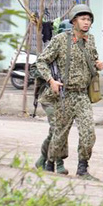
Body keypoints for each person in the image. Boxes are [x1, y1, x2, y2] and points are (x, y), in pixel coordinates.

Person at [36, 4, 103, 180]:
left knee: (89, 132)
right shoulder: (60, 40)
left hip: (82, 94)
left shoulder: (91, 40)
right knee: (59, 134)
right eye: (83, 19)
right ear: (74, 21)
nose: (86, 22)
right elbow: (42, 61)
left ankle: (82, 168)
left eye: (89, 19)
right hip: (64, 94)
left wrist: (97, 64)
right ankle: (50, 164)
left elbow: (93, 58)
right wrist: (51, 81)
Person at [34, 19, 73, 174]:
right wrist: (50, 79)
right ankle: (59, 163)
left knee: (55, 130)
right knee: (58, 128)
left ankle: (42, 159)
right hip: (49, 97)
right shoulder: (53, 50)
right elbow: (37, 67)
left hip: (65, 98)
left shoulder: (75, 54)